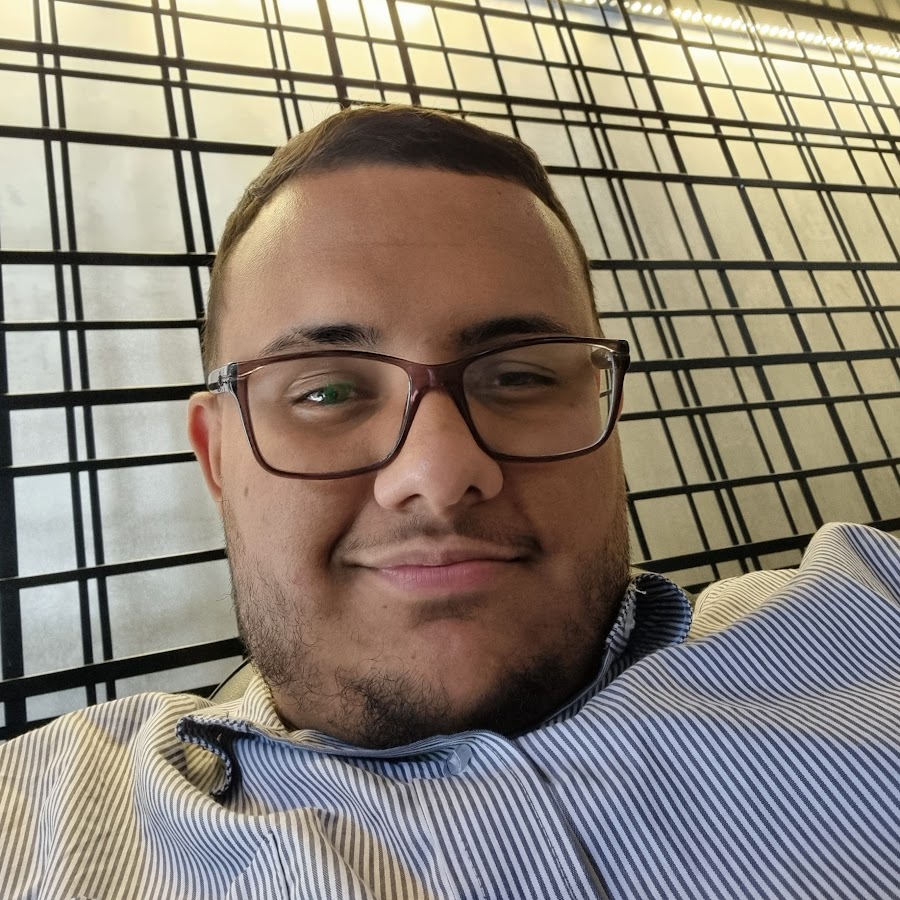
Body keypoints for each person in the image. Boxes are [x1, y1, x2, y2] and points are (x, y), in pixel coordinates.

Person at [0, 104, 898, 899]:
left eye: (519, 376)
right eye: (326, 391)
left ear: (605, 411)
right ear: (218, 455)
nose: (437, 472)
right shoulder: (34, 822)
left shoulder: (871, 607)